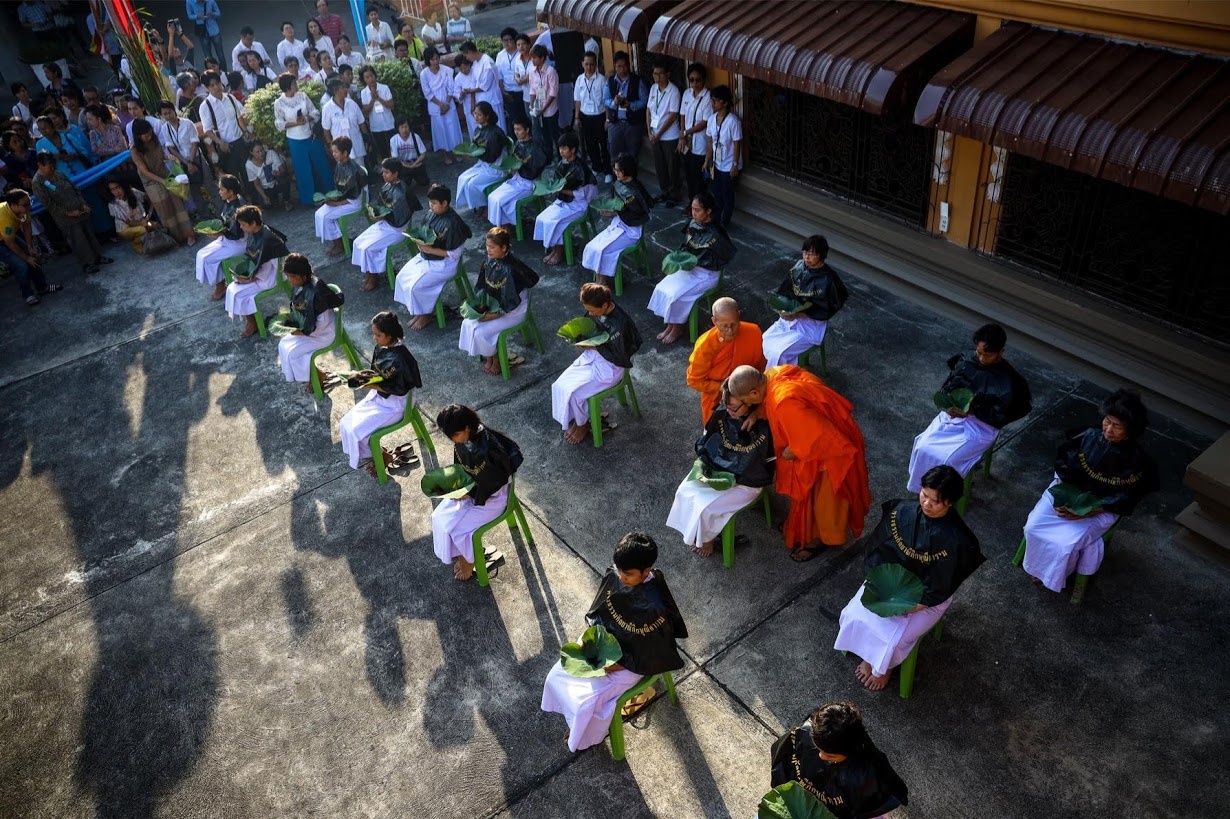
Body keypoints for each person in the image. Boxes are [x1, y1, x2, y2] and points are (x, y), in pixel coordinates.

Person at [834, 466, 985, 691]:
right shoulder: (902, 511)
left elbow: (944, 581)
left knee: (894, 639)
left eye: (936, 501)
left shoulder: (958, 540)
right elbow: (879, 548)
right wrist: (882, 583)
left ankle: (884, 666)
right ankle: (867, 653)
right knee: (854, 615)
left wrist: (916, 604)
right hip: (890, 583)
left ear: (951, 503)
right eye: (924, 495)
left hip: (927, 599)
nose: (926, 504)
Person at [541, 531, 688, 751]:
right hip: (607, 644)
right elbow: (601, 613)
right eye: (618, 570)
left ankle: (584, 734)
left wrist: (615, 665)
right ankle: (579, 724)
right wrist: (592, 642)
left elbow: (650, 652)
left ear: (646, 571)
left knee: (584, 703)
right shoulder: (616, 575)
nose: (620, 577)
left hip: (634, 663)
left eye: (627, 574)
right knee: (556, 676)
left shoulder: (655, 608)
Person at [1021, 389, 1158, 594]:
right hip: (1068, 494)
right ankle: (1040, 565)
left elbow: (1125, 498)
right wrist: (1062, 498)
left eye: (1117, 426)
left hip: (1102, 508)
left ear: (1130, 430)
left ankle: (1054, 574)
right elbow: (1063, 467)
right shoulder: (1088, 436)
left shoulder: (1137, 461)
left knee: (1064, 544)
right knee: (1033, 527)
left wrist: (1089, 510)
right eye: (1107, 421)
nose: (1108, 429)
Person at [728, 364, 871, 560]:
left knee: (824, 503)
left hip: (831, 452)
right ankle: (801, 529)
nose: (748, 404)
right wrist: (757, 413)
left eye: (746, 401)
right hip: (826, 436)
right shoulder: (774, 374)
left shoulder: (784, 401)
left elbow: (811, 437)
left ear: (754, 392)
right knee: (808, 497)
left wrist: (789, 451)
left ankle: (820, 540)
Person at [906, 323, 1032, 493]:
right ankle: (923, 490)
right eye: (978, 352)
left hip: (982, 426)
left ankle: (945, 495)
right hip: (954, 416)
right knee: (922, 446)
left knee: (949, 460)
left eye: (987, 355)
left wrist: (975, 410)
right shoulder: (967, 361)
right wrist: (950, 405)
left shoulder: (1009, 380)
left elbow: (1005, 413)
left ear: (1000, 352)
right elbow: (949, 387)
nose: (981, 359)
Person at [666, 383, 774, 555]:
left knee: (705, 508)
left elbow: (768, 462)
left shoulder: (766, 425)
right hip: (716, 468)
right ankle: (698, 534)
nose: (728, 411)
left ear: (750, 401)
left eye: (733, 408)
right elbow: (707, 441)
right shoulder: (722, 413)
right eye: (726, 405)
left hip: (747, 482)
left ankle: (707, 539)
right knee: (684, 491)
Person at [770, 701, 909, 818]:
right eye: (817, 748)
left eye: (830, 756)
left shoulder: (868, 771)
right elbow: (783, 763)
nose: (821, 756)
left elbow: (877, 804)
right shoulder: (808, 731)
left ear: (850, 752)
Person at [431, 404, 522, 582]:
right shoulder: (464, 438)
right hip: (473, 490)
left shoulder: (489, 448)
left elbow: (494, 482)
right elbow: (461, 468)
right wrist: (457, 487)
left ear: (466, 427)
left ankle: (468, 560)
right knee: (438, 517)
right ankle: (462, 553)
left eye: (455, 435)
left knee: (459, 531)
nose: (454, 441)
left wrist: (469, 494)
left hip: (494, 498)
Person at [552, 283, 642, 444]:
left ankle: (582, 425)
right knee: (560, 385)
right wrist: (582, 341)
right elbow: (589, 329)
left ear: (605, 305)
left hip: (610, 368)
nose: (590, 313)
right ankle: (580, 418)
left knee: (575, 393)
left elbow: (619, 356)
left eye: (592, 310)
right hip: (591, 357)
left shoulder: (620, 324)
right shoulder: (597, 310)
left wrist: (594, 346)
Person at [340, 311, 423, 475]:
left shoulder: (402, 359)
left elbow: (400, 389)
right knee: (345, 423)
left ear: (390, 335)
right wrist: (363, 379)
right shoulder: (381, 347)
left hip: (396, 405)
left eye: (378, 335)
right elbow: (375, 373)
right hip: (379, 398)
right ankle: (379, 454)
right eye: (374, 334)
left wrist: (373, 387)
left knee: (358, 431)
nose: (374, 338)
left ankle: (383, 456)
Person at [648, 192, 735, 345]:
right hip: (690, 268)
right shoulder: (693, 224)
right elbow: (686, 247)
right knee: (663, 287)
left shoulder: (717, 233)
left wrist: (700, 261)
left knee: (676, 294)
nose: (693, 213)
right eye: (692, 209)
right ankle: (670, 324)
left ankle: (678, 328)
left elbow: (724, 257)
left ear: (708, 211)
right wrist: (680, 259)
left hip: (707, 274)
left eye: (697, 210)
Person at [459, 227, 540, 376]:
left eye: (492, 247)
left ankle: (495, 359)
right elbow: (483, 285)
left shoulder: (512, 268)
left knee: (480, 331)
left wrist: (490, 316)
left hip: (514, 312)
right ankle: (489, 356)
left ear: (504, 248)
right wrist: (481, 308)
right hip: (494, 306)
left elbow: (510, 302)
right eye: (487, 246)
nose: (488, 250)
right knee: (467, 323)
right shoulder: (489, 261)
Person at [762, 234, 850, 367]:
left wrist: (800, 314)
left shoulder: (829, 279)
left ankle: (776, 380)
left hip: (811, 325)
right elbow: (784, 290)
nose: (806, 257)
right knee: (766, 338)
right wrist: (783, 310)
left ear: (821, 255)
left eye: (811, 254)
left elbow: (829, 307)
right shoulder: (799, 267)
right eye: (804, 252)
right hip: (790, 318)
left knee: (779, 353)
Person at [394, 183, 472, 331]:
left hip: (445, 264)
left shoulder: (454, 223)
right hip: (426, 256)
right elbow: (424, 232)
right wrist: (418, 241)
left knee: (416, 286)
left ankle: (426, 314)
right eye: (430, 202)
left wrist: (430, 249)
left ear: (445, 203)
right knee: (402, 277)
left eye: (434, 203)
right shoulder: (432, 213)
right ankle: (418, 311)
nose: (431, 206)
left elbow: (455, 254)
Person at [686, 297, 766, 424]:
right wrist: (725, 390)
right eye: (724, 326)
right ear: (714, 321)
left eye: (733, 324)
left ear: (739, 315)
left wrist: (748, 392)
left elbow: (761, 365)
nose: (730, 330)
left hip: (750, 396)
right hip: (717, 398)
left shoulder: (753, 332)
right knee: (715, 434)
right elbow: (693, 380)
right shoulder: (705, 345)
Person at [31, 152, 110, 275]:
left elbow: (74, 188)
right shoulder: (37, 182)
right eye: (49, 166)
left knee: (89, 234)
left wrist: (83, 203)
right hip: (66, 218)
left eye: (53, 165)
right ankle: (87, 264)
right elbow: (49, 204)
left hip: (80, 210)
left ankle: (98, 257)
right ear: (40, 165)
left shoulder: (58, 173)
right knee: (77, 240)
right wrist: (68, 213)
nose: (52, 169)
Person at [582, 153, 653, 289]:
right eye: (615, 170)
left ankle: (601, 282)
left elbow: (641, 213)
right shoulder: (619, 184)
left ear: (628, 170)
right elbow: (620, 206)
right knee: (593, 246)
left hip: (631, 231)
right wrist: (612, 211)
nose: (616, 173)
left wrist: (618, 212)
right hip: (618, 224)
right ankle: (599, 279)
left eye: (618, 170)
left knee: (603, 250)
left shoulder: (635, 190)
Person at [352, 157, 419, 292]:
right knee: (358, 242)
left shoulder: (402, 193)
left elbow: (401, 219)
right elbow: (382, 206)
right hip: (384, 224)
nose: (383, 175)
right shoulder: (387, 186)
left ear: (396, 174)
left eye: (387, 173)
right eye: (383, 172)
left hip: (397, 230)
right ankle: (369, 272)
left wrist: (382, 217)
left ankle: (373, 276)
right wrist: (375, 213)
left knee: (367, 248)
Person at [277, 253, 339, 389]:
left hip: (323, 333)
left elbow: (322, 322)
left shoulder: (316, 292)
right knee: (283, 344)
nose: (289, 280)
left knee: (294, 354)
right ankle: (317, 374)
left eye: (292, 277)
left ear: (303, 276)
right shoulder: (300, 286)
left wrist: (301, 331)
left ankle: (316, 378)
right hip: (310, 329)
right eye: (288, 276)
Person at [130, 119, 195, 247]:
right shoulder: (134, 150)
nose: (148, 137)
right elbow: (145, 171)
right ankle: (175, 238)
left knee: (177, 204)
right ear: (138, 136)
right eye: (145, 135)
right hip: (151, 182)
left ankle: (189, 235)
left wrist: (169, 157)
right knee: (165, 209)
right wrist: (162, 181)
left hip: (165, 175)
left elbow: (161, 156)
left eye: (149, 133)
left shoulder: (154, 140)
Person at [226, 204, 288, 338]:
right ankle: (251, 321)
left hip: (270, 277)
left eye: (243, 224)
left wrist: (250, 279)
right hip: (261, 273)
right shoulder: (254, 232)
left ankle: (252, 324)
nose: (241, 228)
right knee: (232, 288)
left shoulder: (267, 239)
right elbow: (253, 256)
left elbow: (272, 265)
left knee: (238, 293)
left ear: (253, 223)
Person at [534, 132, 595, 266]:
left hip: (578, 205)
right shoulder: (563, 163)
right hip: (563, 201)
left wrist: (561, 190)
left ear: (573, 149)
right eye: (560, 148)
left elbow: (583, 193)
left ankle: (560, 250)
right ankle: (555, 249)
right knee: (542, 218)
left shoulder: (580, 168)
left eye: (564, 148)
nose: (561, 151)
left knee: (554, 221)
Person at [274, 74, 331, 207]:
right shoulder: (279, 102)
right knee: (303, 170)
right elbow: (279, 123)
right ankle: (310, 199)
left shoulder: (303, 96)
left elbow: (315, 112)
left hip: (310, 135)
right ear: (287, 86)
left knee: (321, 164)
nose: (296, 85)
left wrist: (306, 119)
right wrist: (295, 123)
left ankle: (329, 192)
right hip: (295, 140)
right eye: (294, 83)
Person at [0, 189, 62, 306]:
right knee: (21, 265)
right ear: (13, 205)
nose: (29, 207)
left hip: (7, 236)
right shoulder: (4, 217)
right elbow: (10, 243)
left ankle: (42, 288)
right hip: (4, 240)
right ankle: (28, 295)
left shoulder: (24, 209)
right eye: (25, 205)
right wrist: (26, 258)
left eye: (30, 203)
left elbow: (27, 226)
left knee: (33, 255)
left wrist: (29, 246)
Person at [487, 115, 548, 233]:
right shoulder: (518, 143)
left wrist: (521, 167)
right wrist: (512, 169)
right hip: (517, 180)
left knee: (500, 200)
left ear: (527, 130)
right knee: (492, 197)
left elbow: (536, 169)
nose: (516, 132)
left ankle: (502, 228)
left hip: (529, 183)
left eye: (519, 130)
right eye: (515, 129)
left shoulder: (535, 147)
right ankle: (502, 226)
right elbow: (513, 160)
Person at [195, 174, 246, 300]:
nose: (220, 192)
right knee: (201, 254)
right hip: (227, 240)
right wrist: (215, 230)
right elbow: (225, 222)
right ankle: (221, 283)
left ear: (231, 191)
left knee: (208, 259)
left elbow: (237, 234)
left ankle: (220, 286)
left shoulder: (239, 206)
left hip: (239, 243)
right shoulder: (228, 202)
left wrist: (219, 234)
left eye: (222, 189)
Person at [314, 135, 367, 257]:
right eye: (332, 151)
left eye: (336, 151)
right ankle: (338, 240)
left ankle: (339, 245)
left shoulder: (353, 170)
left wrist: (335, 203)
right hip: (344, 199)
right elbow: (340, 188)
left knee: (326, 216)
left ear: (345, 153)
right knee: (319, 213)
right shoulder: (339, 164)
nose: (333, 154)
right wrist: (330, 199)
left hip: (354, 203)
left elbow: (353, 197)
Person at [454, 102, 506, 217]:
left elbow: (493, 157)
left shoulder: (495, 133)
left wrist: (475, 155)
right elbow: (475, 146)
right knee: (462, 178)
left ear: (487, 116)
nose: (476, 117)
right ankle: (480, 203)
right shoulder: (479, 129)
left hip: (495, 167)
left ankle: (485, 205)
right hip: (483, 164)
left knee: (472, 184)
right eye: (475, 114)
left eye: (479, 115)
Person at [200, 70, 250, 184]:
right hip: (225, 146)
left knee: (248, 174)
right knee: (233, 179)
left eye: (217, 83)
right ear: (207, 87)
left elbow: (239, 116)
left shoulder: (230, 98)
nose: (216, 87)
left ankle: (256, 200)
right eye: (212, 85)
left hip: (239, 141)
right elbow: (207, 130)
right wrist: (220, 142)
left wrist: (246, 131)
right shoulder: (205, 106)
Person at [158, 100, 207, 217]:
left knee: (209, 185)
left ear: (174, 111)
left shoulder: (187, 123)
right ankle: (206, 216)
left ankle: (221, 212)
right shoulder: (165, 128)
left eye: (169, 112)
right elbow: (171, 148)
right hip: (183, 162)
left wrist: (191, 162)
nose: (168, 116)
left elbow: (195, 143)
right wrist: (186, 163)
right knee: (195, 191)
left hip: (196, 158)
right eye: (164, 114)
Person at [705, 85, 742, 229]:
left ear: (725, 103)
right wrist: (707, 160)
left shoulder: (733, 121)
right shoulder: (711, 119)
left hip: (728, 165)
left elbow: (737, 144)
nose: (713, 104)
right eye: (712, 100)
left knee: (727, 196)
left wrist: (734, 165)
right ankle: (716, 219)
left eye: (716, 101)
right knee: (717, 193)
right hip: (716, 163)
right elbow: (710, 141)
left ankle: (724, 223)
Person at [647, 61, 682, 208]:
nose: (657, 77)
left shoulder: (673, 91)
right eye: (655, 73)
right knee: (659, 165)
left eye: (660, 74)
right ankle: (664, 191)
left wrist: (659, 133)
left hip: (669, 136)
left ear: (667, 74)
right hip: (654, 135)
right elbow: (648, 110)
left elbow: (673, 115)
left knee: (672, 167)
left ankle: (674, 195)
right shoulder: (653, 88)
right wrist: (649, 131)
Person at [604, 52, 647, 171]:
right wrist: (614, 103)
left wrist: (631, 105)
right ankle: (617, 180)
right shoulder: (610, 81)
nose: (622, 69)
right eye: (619, 66)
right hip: (615, 122)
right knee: (614, 153)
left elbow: (645, 100)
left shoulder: (637, 81)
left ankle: (631, 180)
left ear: (629, 65)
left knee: (632, 154)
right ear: (614, 66)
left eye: (624, 66)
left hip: (632, 123)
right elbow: (605, 99)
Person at [420, 47, 462, 165]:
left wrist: (447, 103)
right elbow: (427, 92)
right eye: (432, 59)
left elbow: (451, 88)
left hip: (449, 104)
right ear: (428, 61)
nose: (436, 62)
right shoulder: (424, 74)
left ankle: (457, 152)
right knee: (441, 131)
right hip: (435, 106)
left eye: (437, 58)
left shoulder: (447, 70)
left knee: (452, 129)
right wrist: (440, 105)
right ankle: (445, 155)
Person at [573, 52, 610, 179]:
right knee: (590, 144)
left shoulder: (601, 80)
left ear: (596, 64)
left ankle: (607, 171)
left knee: (603, 144)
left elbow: (606, 101)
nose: (589, 67)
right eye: (586, 64)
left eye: (592, 64)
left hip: (599, 116)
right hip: (585, 116)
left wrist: (607, 119)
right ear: (582, 64)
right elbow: (577, 100)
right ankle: (596, 167)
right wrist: (577, 117)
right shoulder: (579, 79)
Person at [677, 66, 709, 209]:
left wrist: (686, 132)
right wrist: (682, 135)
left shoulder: (708, 97)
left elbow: (705, 122)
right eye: (692, 80)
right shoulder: (686, 93)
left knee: (698, 179)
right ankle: (692, 204)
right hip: (687, 142)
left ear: (704, 80)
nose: (695, 84)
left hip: (700, 143)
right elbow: (682, 114)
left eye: (698, 80)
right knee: (688, 176)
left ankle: (699, 207)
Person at [460, 41, 504, 131]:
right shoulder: (475, 63)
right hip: (481, 100)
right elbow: (474, 82)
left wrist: (469, 91)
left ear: (470, 52)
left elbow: (485, 86)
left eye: (466, 55)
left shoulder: (487, 62)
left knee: (497, 126)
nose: (467, 58)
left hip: (492, 99)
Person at [527, 44, 560, 161]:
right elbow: (532, 90)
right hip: (539, 109)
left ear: (542, 58)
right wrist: (532, 105)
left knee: (555, 135)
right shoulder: (532, 71)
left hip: (550, 110)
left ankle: (561, 158)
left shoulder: (551, 72)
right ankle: (549, 158)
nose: (532, 60)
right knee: (545, 135)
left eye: (535, 58)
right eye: (532, 57)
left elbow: (553, 93)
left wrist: (543, 109)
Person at [358, 65, 396, 166]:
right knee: (383, 152)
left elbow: (391, 106)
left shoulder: (384, 88)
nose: (370, 79)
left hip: (389, 124)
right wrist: (372, 99)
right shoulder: (363, 92)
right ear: (364, 79)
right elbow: (366, 111)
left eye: (371, 75)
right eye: (367, 77)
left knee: (393, 149)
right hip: (376, 127)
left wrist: (379, 98)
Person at [245, 141, 292, 211]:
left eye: (262, 150)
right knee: (267, 206)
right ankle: (273, 199)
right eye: (257, 152)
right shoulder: (249, 165)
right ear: (251, 153)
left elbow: (282, 169)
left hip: (276, 182)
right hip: (265, 187)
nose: (261, 153)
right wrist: (264, 196)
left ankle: (286, 201)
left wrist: (278, 173)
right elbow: (256, 184)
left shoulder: (270, 153)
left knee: (284, 180)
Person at [105, 178, 150, 252]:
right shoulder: (112, 204)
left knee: (155, 225)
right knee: (142, 230)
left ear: (123, 186)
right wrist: (142, 223)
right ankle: (136, 243)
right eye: (112, 189)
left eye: (118, 187)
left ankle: (142, 239)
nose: (116, 191)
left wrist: (149, 214)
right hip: (124, 229)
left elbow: (148, 197)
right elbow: (128, 222)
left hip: (141, 221)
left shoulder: (133, 192)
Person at [495, 28, 525, 125]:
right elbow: (499, 76)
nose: (507, 43)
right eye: (504, 40)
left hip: (521, 91)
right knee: (513, 120)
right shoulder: (500, 55)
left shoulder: (521, 54)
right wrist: (503, 91)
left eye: (509, 40)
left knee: (524, 117)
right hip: (508, 92)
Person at [389, 117, 429, 188]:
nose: (405, 130)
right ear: (398, 129)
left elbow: (423, 153)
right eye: (402, 127)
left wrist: (415, 163)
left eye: (406, 127)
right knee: (404, 183)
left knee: (424, 182)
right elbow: (395, 158)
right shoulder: (393, 140)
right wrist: (409, 166)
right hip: (402, 164)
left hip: (415, 161)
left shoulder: (415, 137)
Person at [451, 56, 481, 140]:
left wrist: (471, 91)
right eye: (461, 69)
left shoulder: (475, 72)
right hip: (468, 107)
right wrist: (462, 94)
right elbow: (456, 93)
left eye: (465, 67)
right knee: (473, 128)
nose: (464, 70)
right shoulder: (458, 78)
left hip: (479, 102)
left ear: (469, 64)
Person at [186, 0, 224, 65]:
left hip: (213, 29)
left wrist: (212, 14)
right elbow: (190, 15)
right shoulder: (189, 1)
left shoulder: (210, 1)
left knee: (220, 54)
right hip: (202, 31)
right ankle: (212, 73)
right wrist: (198, 16)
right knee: (208, 57)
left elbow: (218, 13)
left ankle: (224, 72)